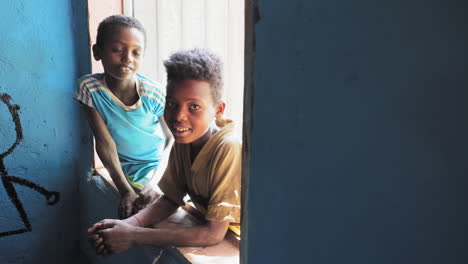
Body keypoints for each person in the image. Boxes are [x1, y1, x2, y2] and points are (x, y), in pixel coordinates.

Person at [88, 48, 241, 255]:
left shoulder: (227, 148)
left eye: (194, 107)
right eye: (171, 104)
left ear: (218, 110)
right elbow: (171, 198)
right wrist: (128, 224)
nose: (179, 116)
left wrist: (134, 236)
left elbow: (213, 234)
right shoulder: (186, 138)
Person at [75, 15, 167, 219]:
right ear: (97, 52)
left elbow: (173, 140)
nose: (127, 59)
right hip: (124, 171)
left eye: (136, 52)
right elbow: (104, 142)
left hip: (158, 167)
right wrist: (125, 190)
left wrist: (157, 182)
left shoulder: (152, 93)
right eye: (117, 50)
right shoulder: (89, 89)